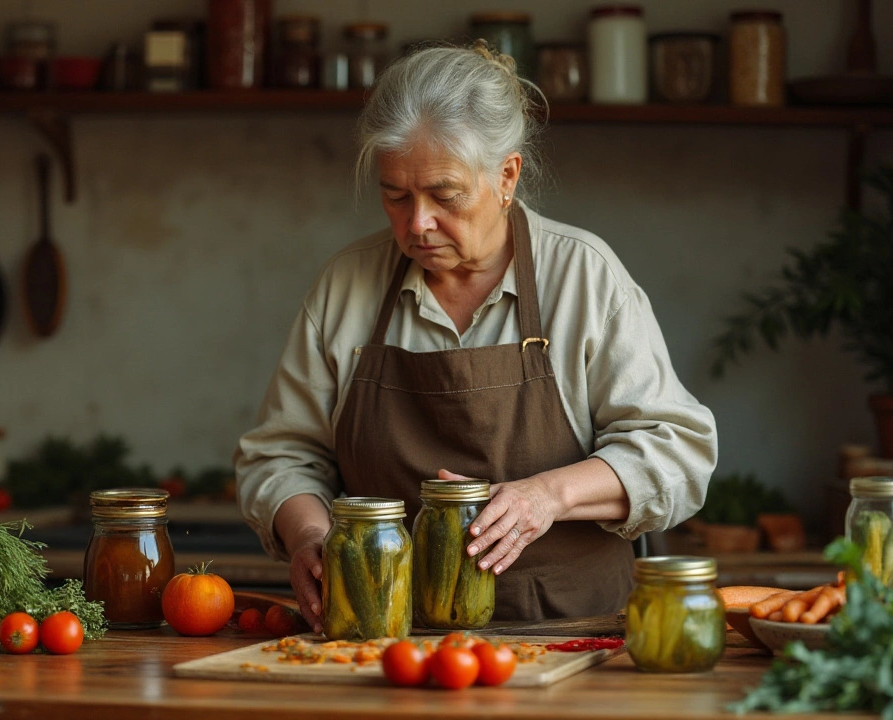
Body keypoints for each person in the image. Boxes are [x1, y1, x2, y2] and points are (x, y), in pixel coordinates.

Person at [233, 42, 718, 629]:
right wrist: (309, 533)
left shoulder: (584, 276)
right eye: (395, 194)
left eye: (445, 195)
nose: (417, 223)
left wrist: (548, 497)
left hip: (574, 637)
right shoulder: (347, 285)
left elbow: (677, 450)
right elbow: (281, 455)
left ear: (506, 175)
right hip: (384, 637)